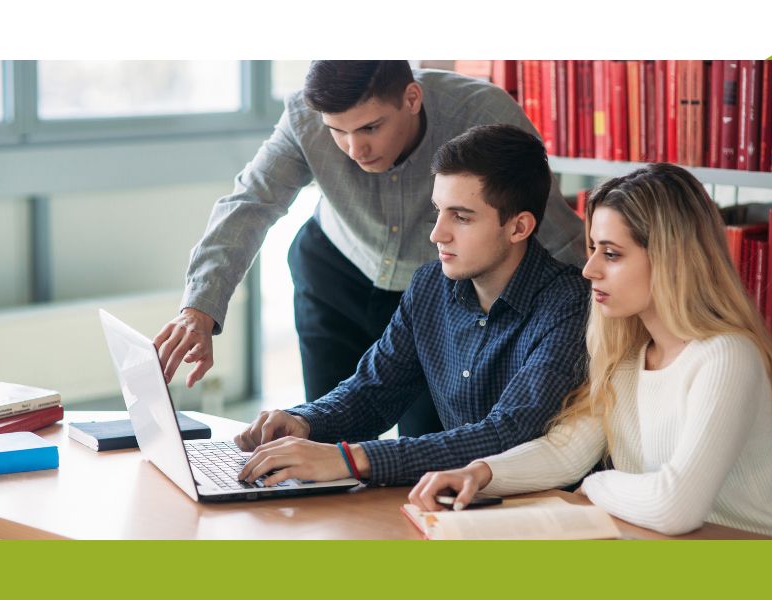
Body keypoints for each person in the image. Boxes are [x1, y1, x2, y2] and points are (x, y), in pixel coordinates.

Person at [152, 61, 585, 438]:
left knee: (430, 443)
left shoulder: (481, 113)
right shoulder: (304, 116)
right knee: (320, 427)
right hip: (334, 274)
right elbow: (250, 203)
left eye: (370, 127)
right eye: (337, 132)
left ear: (411, 98)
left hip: (434, 294)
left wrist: (600, 320)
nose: (354, 149)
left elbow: (549, 226)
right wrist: (200, 309)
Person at [408, 163, 772, 539]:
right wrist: (478, 474)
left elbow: (675, 507)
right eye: (593, 249)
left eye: (612, 254)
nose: (589, 270)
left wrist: (596, 483)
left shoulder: (726, 356)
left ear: (672, 261)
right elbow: (566, 451)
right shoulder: (629, 359)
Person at [234, 124, 589, 487]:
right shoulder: (430, 286)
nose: (438, 233)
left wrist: (351, 459)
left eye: (462, 217)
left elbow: (506, 436)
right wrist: (305, 421)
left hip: (544, 514)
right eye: (438, 211)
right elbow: (373, 391)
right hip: (456, 504)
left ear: (519, 228)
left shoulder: (570, 306)